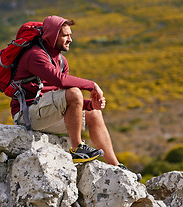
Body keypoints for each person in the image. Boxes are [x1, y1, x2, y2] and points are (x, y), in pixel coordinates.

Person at [11, 15, 141, 181]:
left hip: (46, 115)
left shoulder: (61, 61)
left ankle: (116, 167)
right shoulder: (35, 55)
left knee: (94, 113)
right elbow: (60, 82)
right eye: (65, 35)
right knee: (74, 92)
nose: (70, 39)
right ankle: (77, 148)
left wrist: (89, 104)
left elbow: (64, 97)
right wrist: (92, 85)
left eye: (70, 35)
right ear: (52, 35)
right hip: (27, 116)